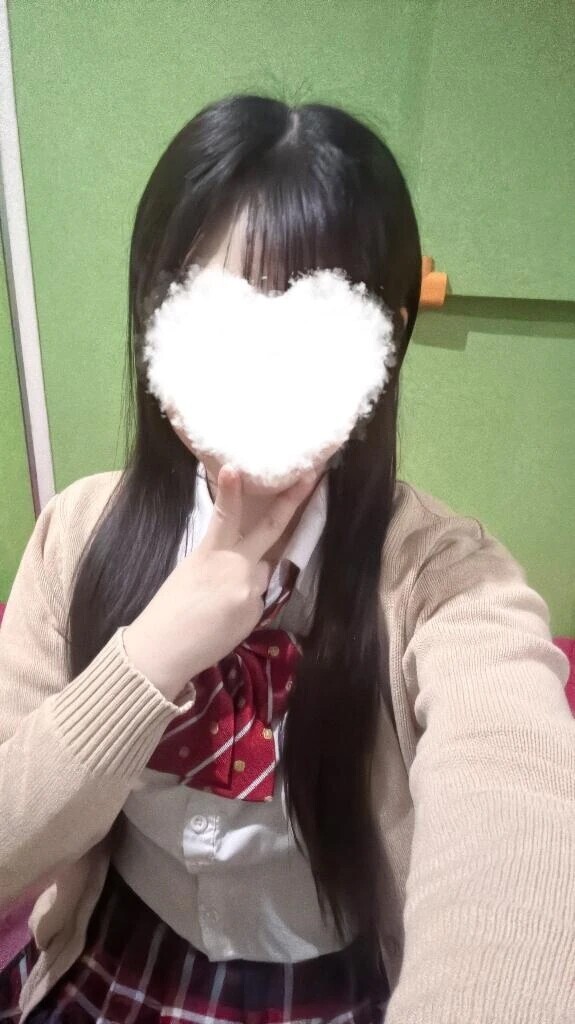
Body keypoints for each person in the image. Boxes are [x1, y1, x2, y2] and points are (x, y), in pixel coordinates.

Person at [0, 94, 573, 1024]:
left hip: (332, 987)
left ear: (384, 346)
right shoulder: (75, 534)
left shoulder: (446, 581)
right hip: (115, 959)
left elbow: (519, 812)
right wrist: (151, 654)